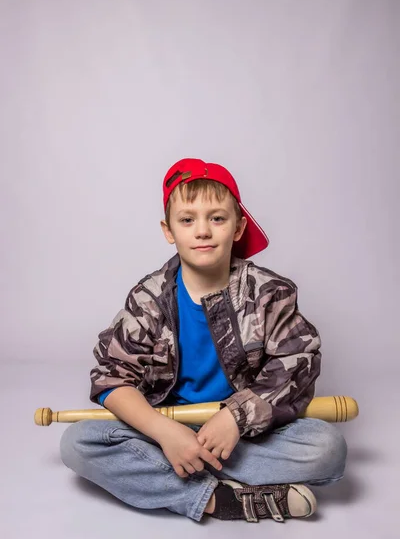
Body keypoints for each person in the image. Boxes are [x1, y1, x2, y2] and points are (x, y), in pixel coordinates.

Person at [60, 157, 347, 523]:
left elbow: (297, 359)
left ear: (239, 226)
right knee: (78, 444)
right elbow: (111, 379)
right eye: (187, 220)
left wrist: (235, 418)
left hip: (243, 433)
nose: (202, 231)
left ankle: (175, 473)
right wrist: (166, 434)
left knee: (327, 448)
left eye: (217, 218)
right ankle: (222, 500)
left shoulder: (268, 293)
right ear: (169, 230)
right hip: (167, 427)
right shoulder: (150, 298)